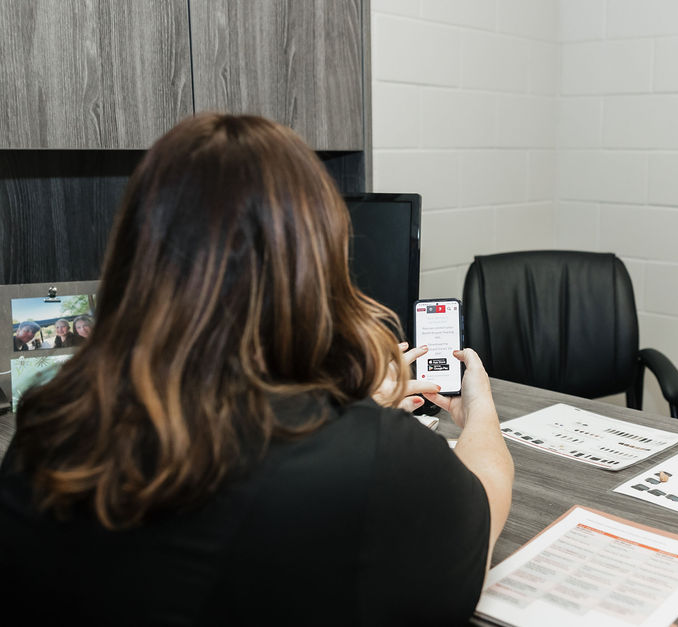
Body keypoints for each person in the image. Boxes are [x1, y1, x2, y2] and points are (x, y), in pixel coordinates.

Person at [0, 113, 514, 625]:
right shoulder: (373, 463)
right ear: (314, 269)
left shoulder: (48, 424)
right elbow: (484, 503)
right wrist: (480, 409)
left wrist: (351, 415)